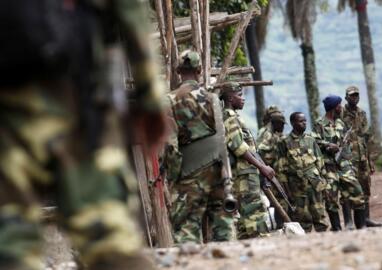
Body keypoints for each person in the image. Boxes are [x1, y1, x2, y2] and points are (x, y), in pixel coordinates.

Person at [0, 1, 168, 269]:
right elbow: (129, 12)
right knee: (108, 237)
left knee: (10, 245)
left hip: (9, 111)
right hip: (80, 102)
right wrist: (151, 96)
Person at [167, 50, 235, 244]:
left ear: (178, 71)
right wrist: (226, 174)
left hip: (189, 174)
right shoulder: (213, 99)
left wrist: (173, 177)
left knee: (187, 228)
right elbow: (222, 138)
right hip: (218, 170)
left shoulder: (170, 101)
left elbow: (170, 146)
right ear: (199, 70)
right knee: (224, 228)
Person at [222, 82, 274, 239]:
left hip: (246, 172)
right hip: (244, 174)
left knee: (246, 222)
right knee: (255, 214)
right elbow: (239, 147)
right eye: (240, 95)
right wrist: (262, 167)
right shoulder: (229, 118)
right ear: (231, 97)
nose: (243, 99)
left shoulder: (233, 117)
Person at [313, 94, 366, 230]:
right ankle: (337, 230)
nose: (341, 107)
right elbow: (314, 141)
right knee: (331, 199)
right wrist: (328, 145)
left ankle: (361, 227)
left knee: (357, 192)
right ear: (333, 108)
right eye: (339, 106)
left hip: (344, 165)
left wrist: (350, 164)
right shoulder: (319, 124)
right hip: (328, 167)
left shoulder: (340, 123)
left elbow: (345, 146)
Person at [276, 112, 329, 232]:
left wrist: (325, 182)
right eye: (301, 121)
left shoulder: (310, 139)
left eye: (305, 121)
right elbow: (281, 168)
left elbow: (320, 161)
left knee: (320, 216)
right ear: (293, 123)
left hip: (315, 183)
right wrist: (287, 191)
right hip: (297, 186)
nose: (304, 123)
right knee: (302, 218)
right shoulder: (284, 142)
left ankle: (324, 242)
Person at [341, 86, 382, 227]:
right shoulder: (340, 113)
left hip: (362, 158)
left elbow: (368, 138)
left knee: (365, 188)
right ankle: (349, 222)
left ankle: (366, 219)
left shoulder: (362, 114)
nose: (354, 98)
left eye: (356, 95)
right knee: (348, 189)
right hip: (347, 159)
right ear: (346, 97)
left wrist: (370, 160)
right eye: (352, 96)